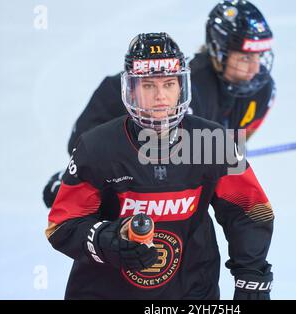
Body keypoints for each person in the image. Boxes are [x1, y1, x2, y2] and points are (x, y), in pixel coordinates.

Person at [46, 32, 274, 300]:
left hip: (191, 291)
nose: (160, 97)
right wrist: (106, 241)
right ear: (130, 90)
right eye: (148, 86)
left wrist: (252, 276)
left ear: (182, 87)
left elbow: (248, 211)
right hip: (104, 292)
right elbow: (62, 225)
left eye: (168, 84)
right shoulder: (97, 146)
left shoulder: (213, 142)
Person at [43, 0, 275, 208]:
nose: (255, 68)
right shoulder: (188, 89)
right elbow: (169, 168)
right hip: (133, 186)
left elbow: (232, 148)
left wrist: (224, 158)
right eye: (245, 57)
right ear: (219, 50)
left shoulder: (264, 90)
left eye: (258, 56)